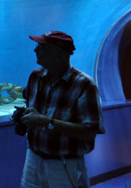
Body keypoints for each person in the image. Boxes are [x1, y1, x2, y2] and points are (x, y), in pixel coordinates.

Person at [12, 31, 105, 188]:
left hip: (64, 165)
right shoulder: (35, 77)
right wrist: (22, 115)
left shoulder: (84, 85)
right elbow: (31, 107)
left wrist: (47, 122)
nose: (35, 50)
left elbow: (90, 132)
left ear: (58, 52)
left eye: (41, 46)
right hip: (33, 159)